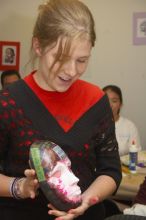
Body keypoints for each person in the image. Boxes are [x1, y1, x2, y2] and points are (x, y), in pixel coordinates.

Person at [0, 0, 122, 220]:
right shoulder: (8, 102)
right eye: (60, 58)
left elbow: (111, 172)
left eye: (81, 60)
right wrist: (20, 186)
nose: (71, 71)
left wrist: (86, 200)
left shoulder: (96, 101)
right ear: (38, 46)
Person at [103, 85, 141, 156]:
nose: (110, 105)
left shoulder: (130, 126)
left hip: (124, 166)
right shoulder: (93, 126)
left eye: (114, 101)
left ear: (120, 104)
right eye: (106, 100)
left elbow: (136, 153)